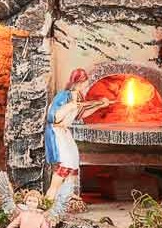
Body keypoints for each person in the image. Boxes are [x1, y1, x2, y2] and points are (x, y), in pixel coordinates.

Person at [43, 70, 111, 201]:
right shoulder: (63, 96)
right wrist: (69, 106)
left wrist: (100, 105)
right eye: (85, 81)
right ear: (79, 82)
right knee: (65, 162)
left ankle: (68, 193)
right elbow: (53, 117)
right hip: (57, 131)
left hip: (65, 132)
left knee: (74, 160)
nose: (86, 84)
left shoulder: (79, 96)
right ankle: (51, 195)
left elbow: (81, 114)